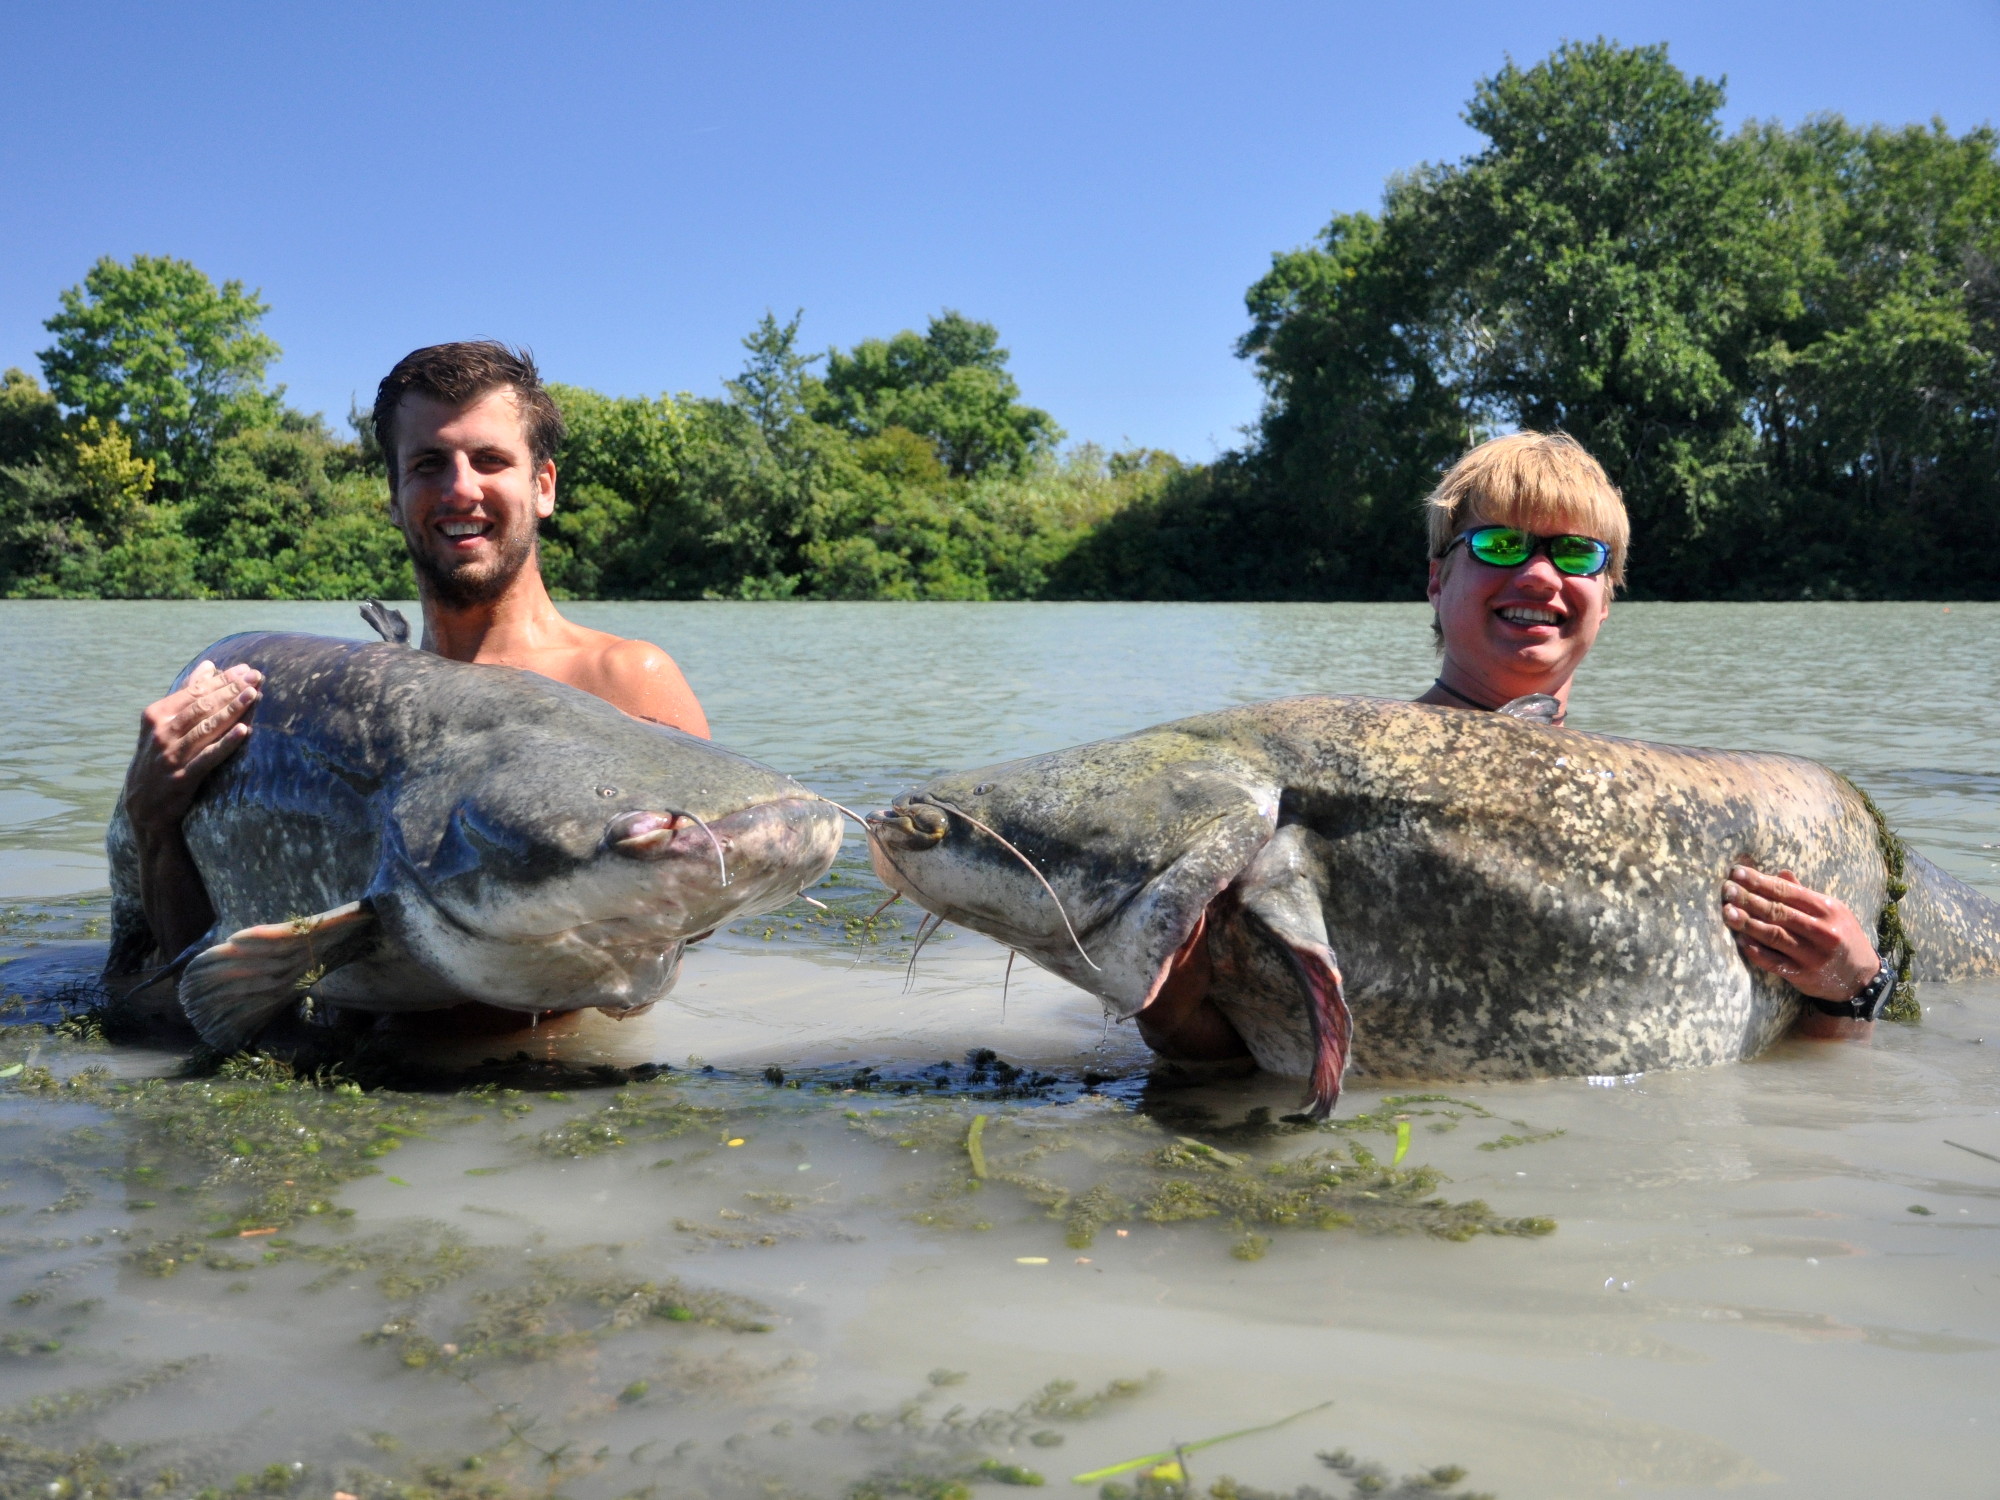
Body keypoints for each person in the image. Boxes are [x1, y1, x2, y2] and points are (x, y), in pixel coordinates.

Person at [120, 341, 710, 970]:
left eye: (489, 460)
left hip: (549, 1061)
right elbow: (188, 969)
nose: (461, 489)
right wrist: (151, 817)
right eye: (429, 463)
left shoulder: (623, 676)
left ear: (542, 486)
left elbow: (704, 906)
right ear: (394, 497)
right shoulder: (345, 715)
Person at [1416, 431, 1890, 1037]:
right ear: (1437, 579)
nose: (1538, 575)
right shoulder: (1339, 766)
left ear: (1606, 597)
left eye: (1576, 553)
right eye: (1500, 544)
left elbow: (1816, 1075)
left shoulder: (1663, 804)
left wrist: (1854, 987)